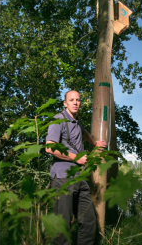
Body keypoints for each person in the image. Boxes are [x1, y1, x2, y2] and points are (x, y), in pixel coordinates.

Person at [45, 90, 107, 245]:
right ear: (65, 103)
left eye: (78, 100)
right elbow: (49, 148)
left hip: (79, 177)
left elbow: (83, 132)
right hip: (62, 178)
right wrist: (76, 158)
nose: (75, 102)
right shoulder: (58, 120)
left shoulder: (77, 122)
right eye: (71, 100)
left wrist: (94, 143)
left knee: (89, 222)